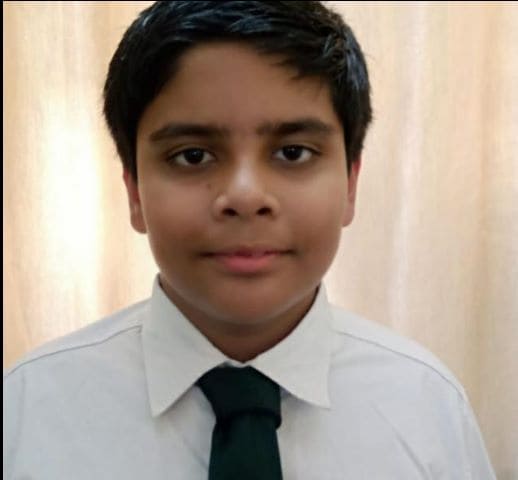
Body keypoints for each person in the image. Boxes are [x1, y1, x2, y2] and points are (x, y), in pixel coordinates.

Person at [4, 1, 496, 479]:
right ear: (134, 191)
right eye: (193, 156)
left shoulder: (427, 407)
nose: (244, 196)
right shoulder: (26, 413)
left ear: (351, 183)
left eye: (293, 152)